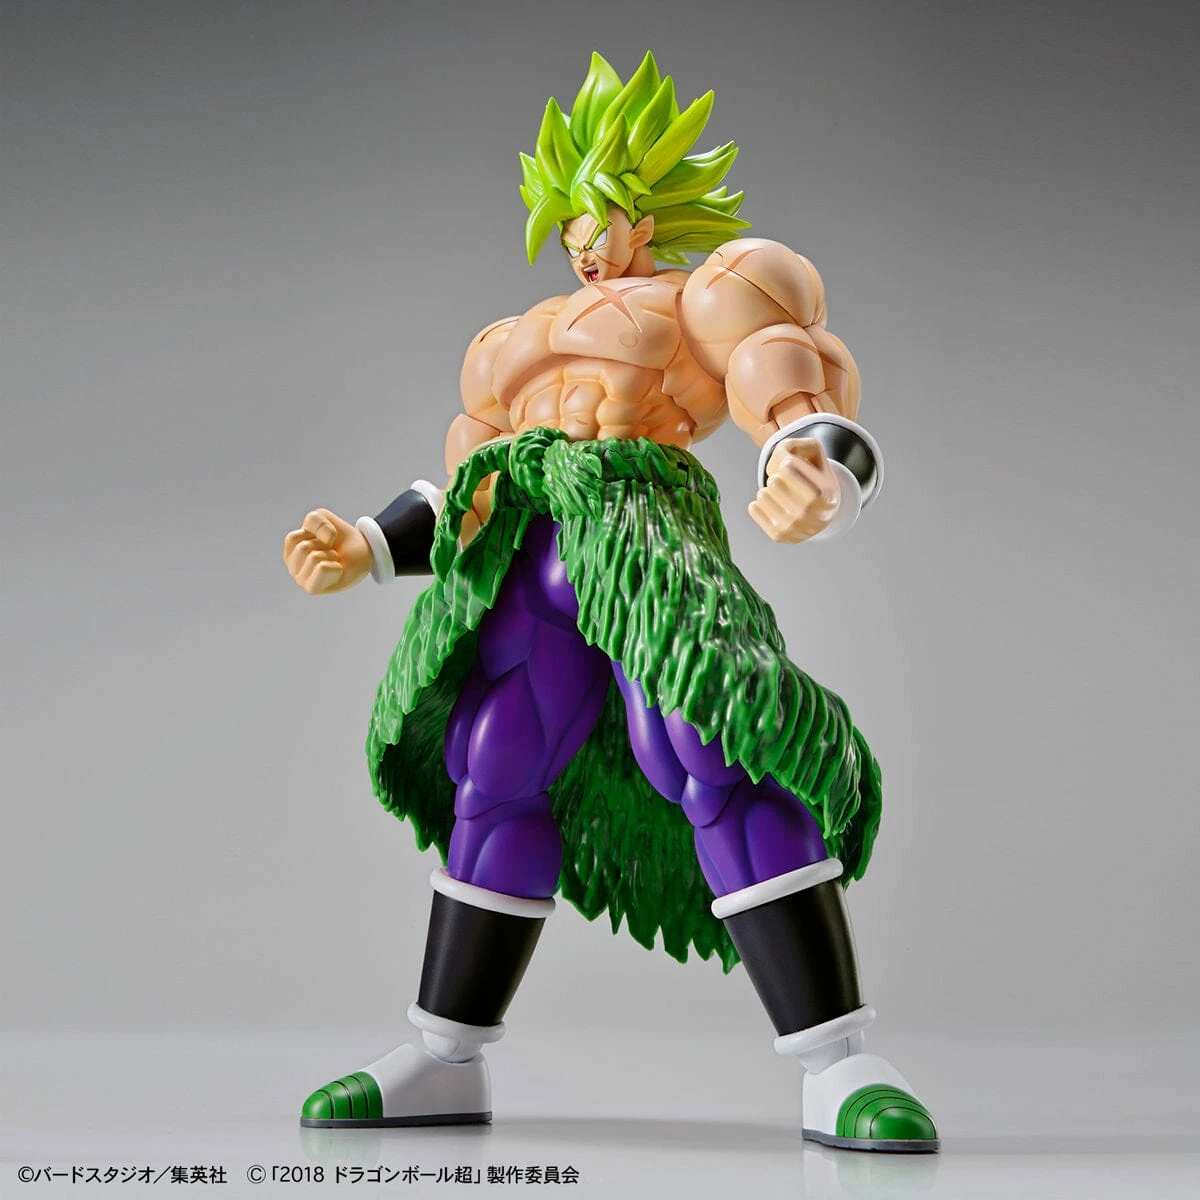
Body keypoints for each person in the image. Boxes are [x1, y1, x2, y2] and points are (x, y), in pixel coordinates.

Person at [283, 51, 937, 1152]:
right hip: (526, 566)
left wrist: (813, 470)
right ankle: (445, 1056)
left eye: (602, 214)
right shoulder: (507, 345)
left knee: (707, 747)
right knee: (493, 772)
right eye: (568, 220)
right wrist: (368, 546)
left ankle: (838, 1064)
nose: (585, 241)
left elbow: (791, 381)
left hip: (640, 545)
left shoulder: (710, 293)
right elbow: (472, 488)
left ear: (647, 214)